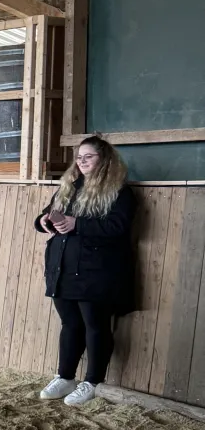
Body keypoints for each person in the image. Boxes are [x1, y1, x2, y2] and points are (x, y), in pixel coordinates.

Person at [36, 135, 134, 406]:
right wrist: (44, 220)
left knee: (95, 325)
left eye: (88, 156)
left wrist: (76, 224)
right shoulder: (69, 187)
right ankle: (65, 376)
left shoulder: (119, 191)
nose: (81, 161)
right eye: (79, 157)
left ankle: (92, 381)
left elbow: (117, 227)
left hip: (96, 270)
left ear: (104, 160)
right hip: (62, 266)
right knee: (69, 322)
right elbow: (44, 215)